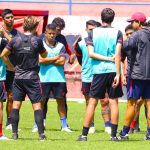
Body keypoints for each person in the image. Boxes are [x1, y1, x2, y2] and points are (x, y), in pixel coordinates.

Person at [77, 8, 123, 141]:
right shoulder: (118, 32)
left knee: (92, 102)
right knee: (113, 102)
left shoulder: (92, 33)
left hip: (98, 72)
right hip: (113, 71)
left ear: (101, 18)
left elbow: (91, 53)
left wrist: (105, 59)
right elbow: (118, 54)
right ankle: (113, 136)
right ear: (113, 19)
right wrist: (118, 74)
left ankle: (84, 135)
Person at [1, 16, 47, 140]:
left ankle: (14, 134)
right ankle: (41, 135)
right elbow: (44, 54)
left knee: (16, 105)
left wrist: (11, 67)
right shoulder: (37, 41)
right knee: (37, 106)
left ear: (24, 25)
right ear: (35, 27)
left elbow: (3, 55)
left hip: (18, 77)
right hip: (32, 78)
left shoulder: (15, 40)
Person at [75, 20, 111, 134]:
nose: (92, 31)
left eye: (95, 29)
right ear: (86, 30)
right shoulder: (80, 44)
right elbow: (80, 60)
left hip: (101, 74)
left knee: (105, 101)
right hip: (87, 77)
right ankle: (91, 125)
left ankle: (108, 126)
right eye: (90, 29)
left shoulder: (103, 42)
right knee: (89, 102)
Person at [119, 12, 150, 140]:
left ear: (138, 22)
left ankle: (124, 133)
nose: (131, 25)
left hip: (137, 75)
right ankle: (149, 133)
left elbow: (124, 47)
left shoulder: (136, 35)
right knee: (149, 103)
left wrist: (124, 40)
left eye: (132, 22)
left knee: (131, 104)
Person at [38, 23, 72, 132]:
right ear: (45, 33)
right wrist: (55, 58)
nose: (52, 35)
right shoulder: (40, 45)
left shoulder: (61, 45)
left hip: (59, 79)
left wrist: (47, 60)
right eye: (50, 33)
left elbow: (62, 62)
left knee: (61, 102)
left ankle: (64, 126)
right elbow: (40, 60)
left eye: (54, 34)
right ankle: (38, 125)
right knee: (42, 102)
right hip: (43, 79)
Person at [121, 24, 143, 134]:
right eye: (127, 34)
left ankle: (134, 126)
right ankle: (131, 127)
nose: (129, 36)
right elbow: (121, 60)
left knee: (141, 102)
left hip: (142, 76)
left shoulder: (142, 43)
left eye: (131, 33)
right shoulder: (126, 46)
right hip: (131, 76)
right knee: (134, 102)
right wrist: (123, 75)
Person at [0, 9, 20, 130]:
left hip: (12, 69)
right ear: (3, 19)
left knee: (12, 96)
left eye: (12, 17)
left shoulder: (17, 34)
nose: (10, 19)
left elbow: (16, 46)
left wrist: (5, 35)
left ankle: (9, 122)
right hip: (3, 68)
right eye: (8, 17)